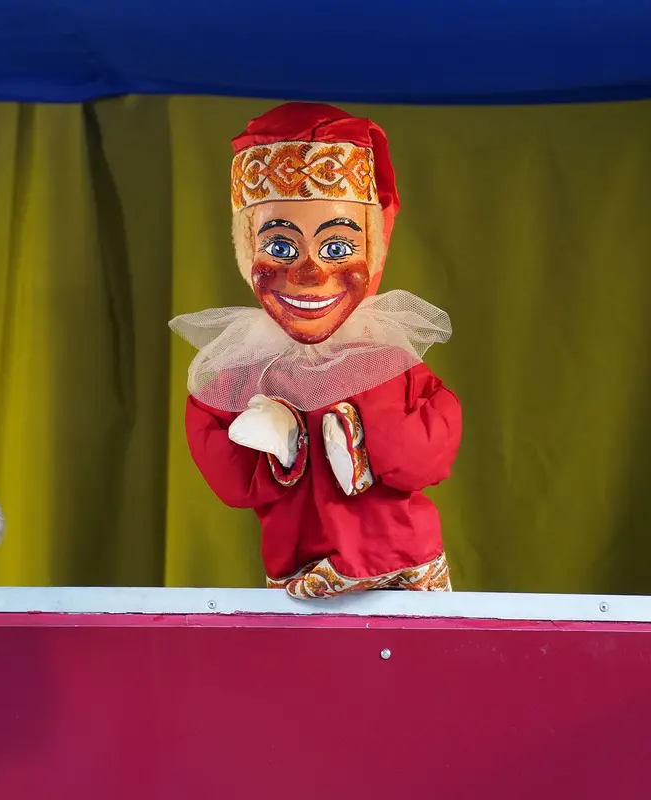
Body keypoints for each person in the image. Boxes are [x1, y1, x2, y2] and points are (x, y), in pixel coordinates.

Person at [169, 102, 462, 599]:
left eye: (337, 248)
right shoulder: (245, 374)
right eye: (281, 248)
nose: (309, 273)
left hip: (403, 563)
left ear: (372, 251)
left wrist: (373, 438)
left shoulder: (387, 361)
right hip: (300, 575)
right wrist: (278, 451)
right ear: (246, 252)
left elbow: (433, 448)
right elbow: (227, 474)